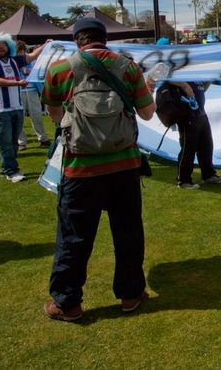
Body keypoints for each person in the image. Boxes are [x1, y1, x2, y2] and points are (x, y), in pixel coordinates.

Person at [41, 17, 156, 322]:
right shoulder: (128, 68)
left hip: (80, 169)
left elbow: (53, 113)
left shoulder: (59, 70)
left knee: (73, 237)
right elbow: (147, 113)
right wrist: (147, 89)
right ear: (104, 39)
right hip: (124, 165)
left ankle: (68, 303)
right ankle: (131, 294)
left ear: (77, 40)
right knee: (128, 232)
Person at [0, 33, 48, 182]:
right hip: (0, 108)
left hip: (16, 107)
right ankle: (12, 171)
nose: (0, 48)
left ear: (8, 47)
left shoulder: (14, 60)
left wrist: (46, 45)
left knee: (13, 142)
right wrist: (17, 83)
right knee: (5, 142)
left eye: (3, 45)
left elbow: (31, 56)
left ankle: (6, 168)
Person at [167, 80, 221, 189]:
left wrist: (210, 79)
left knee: (206, 147)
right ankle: (184, 180)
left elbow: (202, 89)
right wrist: (184, 85)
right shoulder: (181, 73)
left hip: (201, 114)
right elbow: (169, 79)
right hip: (187, 116)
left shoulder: (197, 75)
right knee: (188, 149)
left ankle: (208, 175)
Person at [15, 40, 50, 149]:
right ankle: (21, 142)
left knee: (36, 115)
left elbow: (39, 74)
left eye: (21, 51)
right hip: (18, 91)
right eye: (18, 52)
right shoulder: (12, 61)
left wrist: (30, 73)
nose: (20, 54)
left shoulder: (32, 60)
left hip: (31, 90)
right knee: (19, 117)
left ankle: (42, 138)